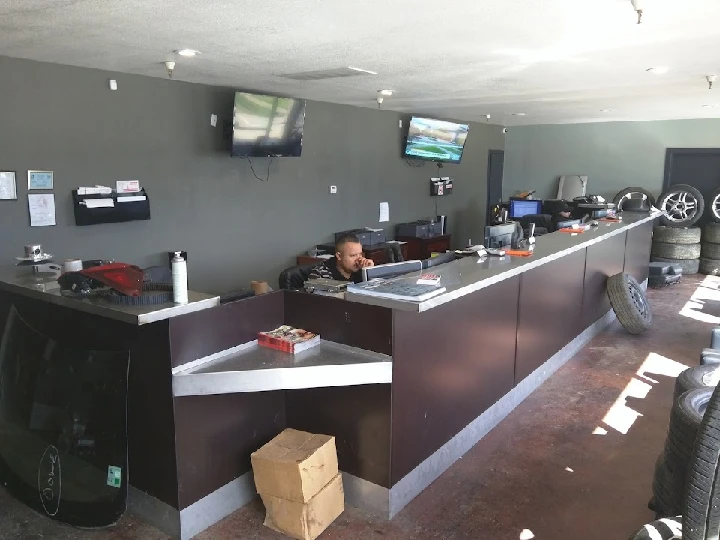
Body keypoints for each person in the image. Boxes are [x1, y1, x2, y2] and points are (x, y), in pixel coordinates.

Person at [308, 235, 374, 283]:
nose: (359, 259)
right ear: (339, 256)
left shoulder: (361, 268)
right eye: (353, 255)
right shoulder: (320, 275)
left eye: (360, 254)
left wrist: (369, 272)